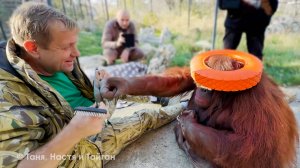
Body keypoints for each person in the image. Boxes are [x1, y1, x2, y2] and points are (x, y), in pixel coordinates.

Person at [0, 3, 181, 167]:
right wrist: (74, 131)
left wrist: (97, 92)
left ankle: (158, 96)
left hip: (93, 115)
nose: (77, 53)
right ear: (33, 48)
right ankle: (181, 108)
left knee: (118, 83)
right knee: (146, 118)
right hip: (76, 150)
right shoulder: (7, 96)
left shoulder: (51, 59)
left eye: (75, 44)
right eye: (66, 47)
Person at [100, 50, 298, 167]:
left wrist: (191, 128)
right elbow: (173, 82)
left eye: (210, 89)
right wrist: (126, 84)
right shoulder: (208, 76)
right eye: (201, 86)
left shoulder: (251, 100)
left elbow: (245, 153)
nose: (202, 92)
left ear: (230, 87)